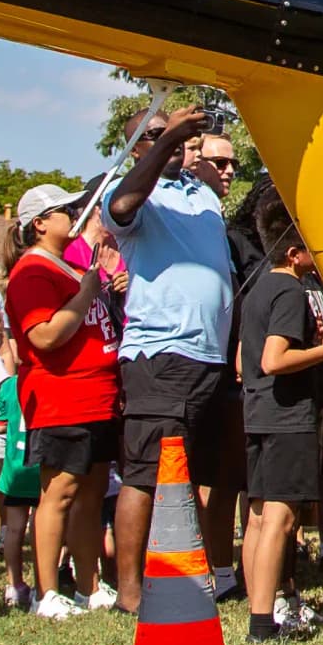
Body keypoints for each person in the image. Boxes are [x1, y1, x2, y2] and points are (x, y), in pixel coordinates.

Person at [109, 104, 244, 617]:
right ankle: (129, 592)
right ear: (139, 146)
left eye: (181, 137)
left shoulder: (203, 195)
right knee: (146, 472)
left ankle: (188, 574)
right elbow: (122, 206)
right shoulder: (137, 192)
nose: (180, 142)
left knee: (191, 474)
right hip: (160, 354)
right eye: (160, 136)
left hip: (208, 357)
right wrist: (165, 144)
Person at [1, 182, 121, 619]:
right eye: (64, 210)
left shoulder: (65, 268)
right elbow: (44, 334)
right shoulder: (33, 272)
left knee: (91, 492)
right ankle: (48, 590)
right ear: (39, 224)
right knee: (60, 491)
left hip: (98, 395)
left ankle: (89, 585)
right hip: (62, 396)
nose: (75, 213)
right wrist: (88, 291)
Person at [231, 212, 323, 641]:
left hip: (259, 412)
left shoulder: (257, 290)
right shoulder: (291, 291)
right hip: (288, 417)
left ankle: (260, 616)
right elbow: (272, 359)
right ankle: (262, 622)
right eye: (311, 248)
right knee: (279, 518)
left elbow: (245, 359)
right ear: (293, 254)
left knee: (258, 518)